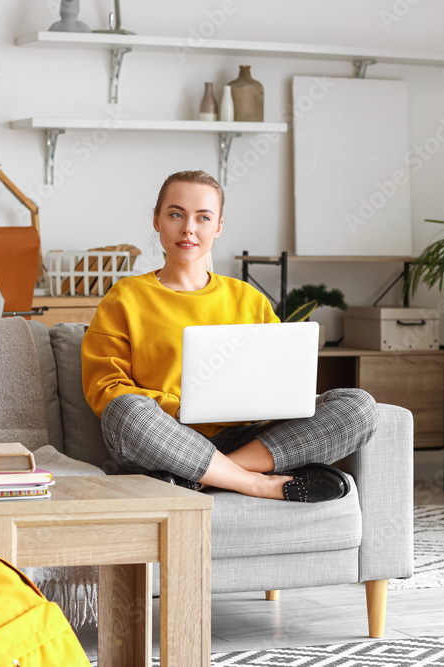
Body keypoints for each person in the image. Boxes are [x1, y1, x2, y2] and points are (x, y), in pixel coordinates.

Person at [81, 170, 377, 502]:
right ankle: (258, 483)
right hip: (165, 439)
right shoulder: (125, 296)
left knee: (360, 406)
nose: (188, 228)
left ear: (218, 226)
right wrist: (179, 409)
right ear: (157, 220)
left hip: (247, 438)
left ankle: (207, 477)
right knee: (126, 410)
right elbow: (104, 388)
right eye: (176, 214)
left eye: (203, 217)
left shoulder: (249, 298)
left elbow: (281, 379)